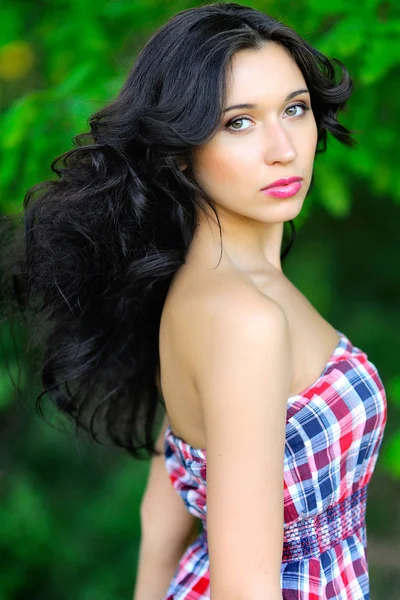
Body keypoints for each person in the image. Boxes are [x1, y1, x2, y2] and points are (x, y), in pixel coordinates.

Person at [1, 3, 387, 599]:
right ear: (179, 150)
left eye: (294, 108)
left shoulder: (215, 286)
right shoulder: (242, 319)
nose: (283, 148)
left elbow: (166, 495)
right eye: (238, 122)